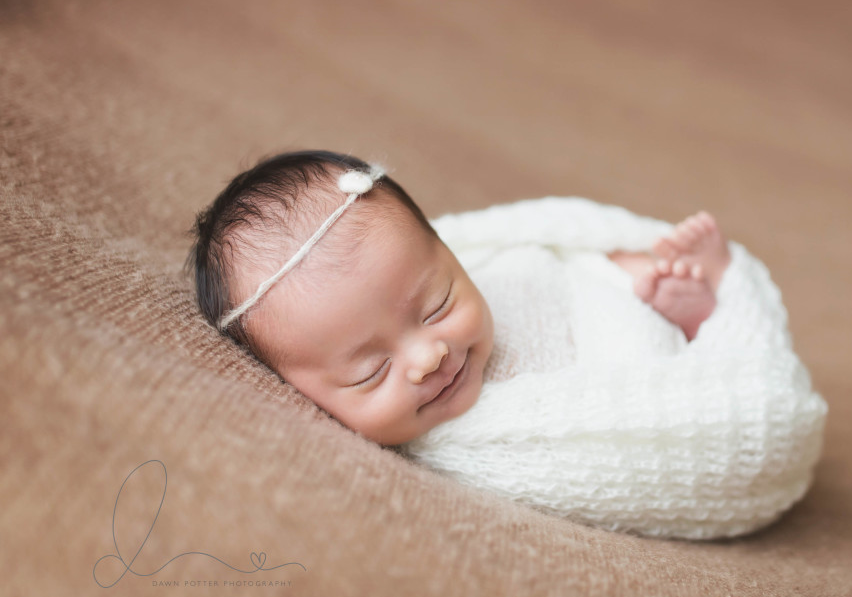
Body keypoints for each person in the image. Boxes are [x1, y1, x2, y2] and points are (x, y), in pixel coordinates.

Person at [187, 150, 732, 447]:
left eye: (438, 305)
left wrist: (641, 285)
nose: (430, 358)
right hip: (649, 410)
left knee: (627, 281)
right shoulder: (447, 452)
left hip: (629, 332)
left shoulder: (514, 271)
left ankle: (695, 305)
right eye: (370, 371)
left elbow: (570, 266)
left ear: (450, 254)